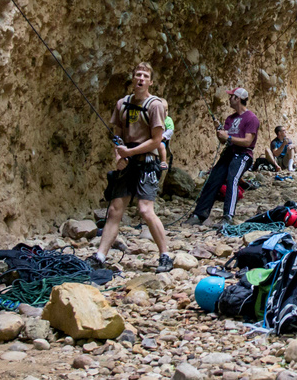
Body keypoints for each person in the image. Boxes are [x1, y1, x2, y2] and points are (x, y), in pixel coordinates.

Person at [93, 62, 172, 273]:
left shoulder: (155, 106)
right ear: (132, 78)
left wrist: (129, 153)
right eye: (138, 75)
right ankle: (100, 256)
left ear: (151, 82)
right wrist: (119, 155)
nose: (141, 79)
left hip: (147, 161)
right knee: (114, 210)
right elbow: (117, 136)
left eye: (145, 76)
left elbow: (157, 141)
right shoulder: (122, 104)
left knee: (145, 210)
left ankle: (165, 254)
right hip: (127, 160)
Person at [186, 87, 259, 226]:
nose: (229, 99)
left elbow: (248, 141)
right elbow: (223, 140)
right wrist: (219, 131)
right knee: (213, 180)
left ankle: (228, 217)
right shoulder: (230, 119)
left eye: (231, 96)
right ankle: (199, 214)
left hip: (243, 155)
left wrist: (229, 137)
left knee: (233, 179)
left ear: (237, 99)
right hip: (229, 154)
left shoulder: (251, 118)